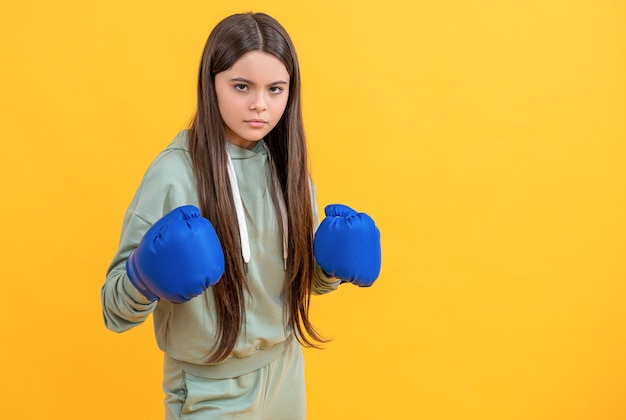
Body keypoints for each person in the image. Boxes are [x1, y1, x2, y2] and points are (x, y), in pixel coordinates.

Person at [101, 11, 381, 419]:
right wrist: (144, 276)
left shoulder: (289, 167)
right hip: (208, 387)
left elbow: (306, 284)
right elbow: (113, 310)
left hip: (286, 371)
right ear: (210, 84)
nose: (259, 104)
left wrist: (331, 267)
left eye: (275, 89)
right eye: (241, 86)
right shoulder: (175, 173)